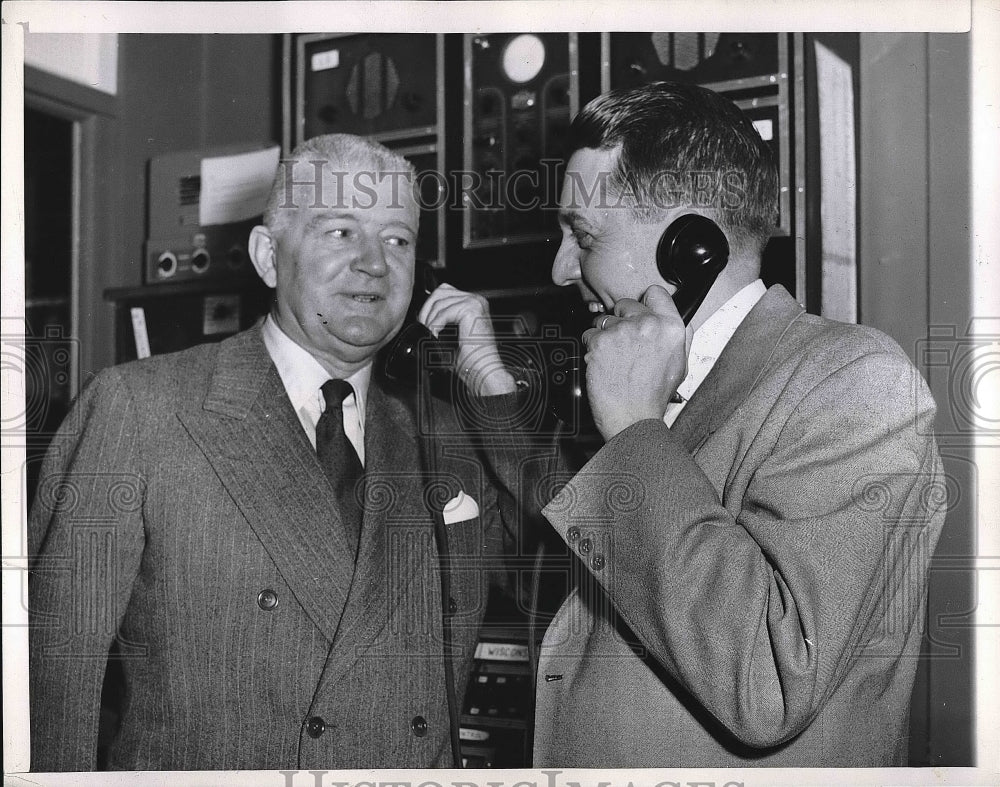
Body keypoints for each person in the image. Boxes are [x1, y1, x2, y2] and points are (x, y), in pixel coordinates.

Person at [28, 133, 521, 771]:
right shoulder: (139, 409)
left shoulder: (448, 436)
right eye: (341, 232)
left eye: (397, 239)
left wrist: (494, 390)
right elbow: (51, 676)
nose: (375, 262)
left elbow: (576, 592)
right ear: (268, 257)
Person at [526, 82, 946, 767]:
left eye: (582, 234)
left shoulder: (857, 381)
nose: (560, 267)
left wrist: (635, 430)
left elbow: (771, 676)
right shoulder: (649, 393)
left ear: (688, 245)